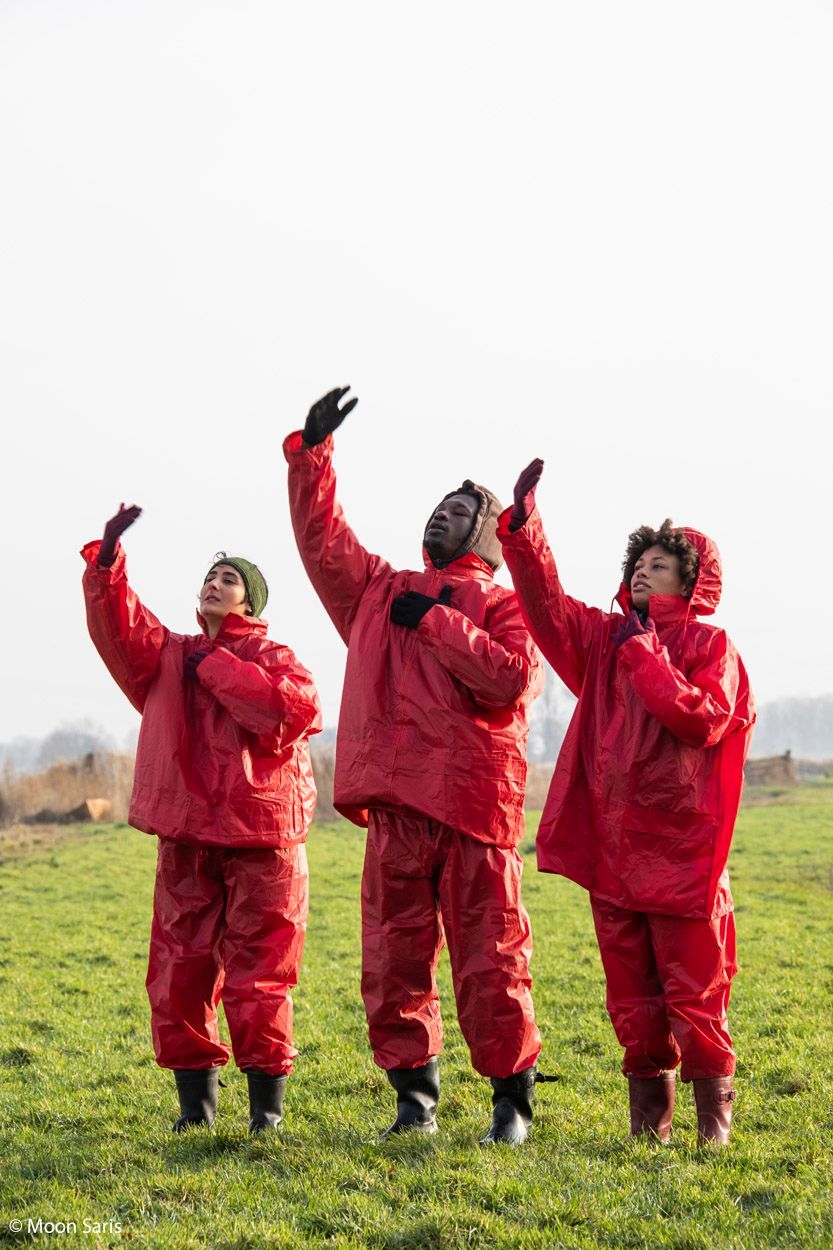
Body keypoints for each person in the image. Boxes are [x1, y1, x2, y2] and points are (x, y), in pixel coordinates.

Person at [284, 387, 544, 1144]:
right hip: (396, 807)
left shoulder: (503, 604)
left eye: (458, 511)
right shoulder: (376, 591)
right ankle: (414, 1100)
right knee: (392, 958)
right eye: (437, 507)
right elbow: (323, 540)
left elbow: (511, 679)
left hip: (472, 805)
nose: (440, 515)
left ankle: (511, 1102)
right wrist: (313, 456)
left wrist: (437, 623)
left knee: (491, 958)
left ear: (486, 537)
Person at [499, 459, 755, 1145]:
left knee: (695, 993)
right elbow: (547, 606)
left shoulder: (710, 645)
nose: (642, 573)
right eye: (637, 564)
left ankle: (713, 1126)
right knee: (633, 1001)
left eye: (659, 566)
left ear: (691, 581)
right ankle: (649, 1128)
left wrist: (645, 654)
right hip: (613, 853)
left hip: (682, 854)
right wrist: (524, 528)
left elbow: (701, 719)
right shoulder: (602, 639)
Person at [81, 504, 322, 1133]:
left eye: (229, 579)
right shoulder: (171, 654)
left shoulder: (273, 654)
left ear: (251, 602)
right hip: (188, 836)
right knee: (179, 971)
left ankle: (266, 1114)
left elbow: (292, 711)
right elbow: (121, 629)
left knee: (259, 976)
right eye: (210, 576)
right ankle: (196, 1113)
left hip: (264, 839)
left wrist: (217, 667)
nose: (214, 583)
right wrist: (107, 563)